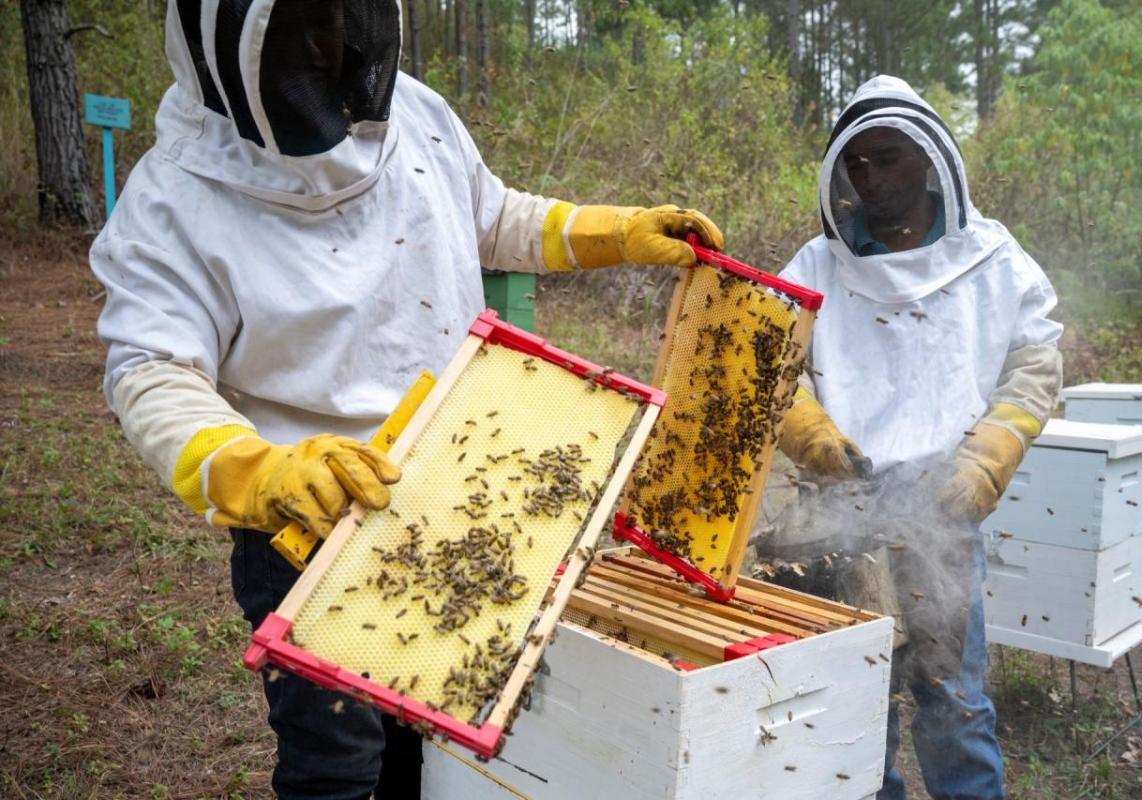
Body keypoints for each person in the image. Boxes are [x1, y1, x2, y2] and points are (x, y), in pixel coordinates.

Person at [88, 2, 722, 798]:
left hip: (460, 484)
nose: (330, 44)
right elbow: (149, 370)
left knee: (444, 752)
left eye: (339, 15)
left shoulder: (415, 112)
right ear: (231, 47)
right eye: (301, 29)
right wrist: (255, 470)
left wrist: (611, 233)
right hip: (312, 521)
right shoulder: (169, 201)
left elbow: (491, 215)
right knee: (339, 764)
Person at [776, 75, 1062, 799]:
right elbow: (767, 358)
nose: (870, 176)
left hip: (941, 505)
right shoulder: (818, 264)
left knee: (953, 704)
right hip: (841, 510)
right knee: (852, 702)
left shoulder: (992, 258)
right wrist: (807, 428)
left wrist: (987, 460)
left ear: (929, 160)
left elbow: (1033, 365)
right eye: (858, 164)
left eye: (888, 158)